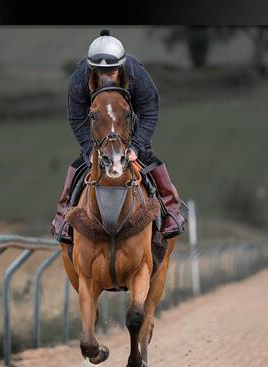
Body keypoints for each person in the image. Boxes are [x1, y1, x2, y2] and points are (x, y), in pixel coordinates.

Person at [51, 29, 186, 243]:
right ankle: (62, 219)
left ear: (121, 66)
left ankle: (171, 212)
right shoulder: (79, 80)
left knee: (152, 160)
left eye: (112, 71)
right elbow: (76, 118)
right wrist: (88, 150)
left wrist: (138, 146)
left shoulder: (135, 74)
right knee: (77, 167)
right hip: (100, 134)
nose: (106, 76)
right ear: (91, 68)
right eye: (99, 71)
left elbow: (150, 109)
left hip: (129, 129)